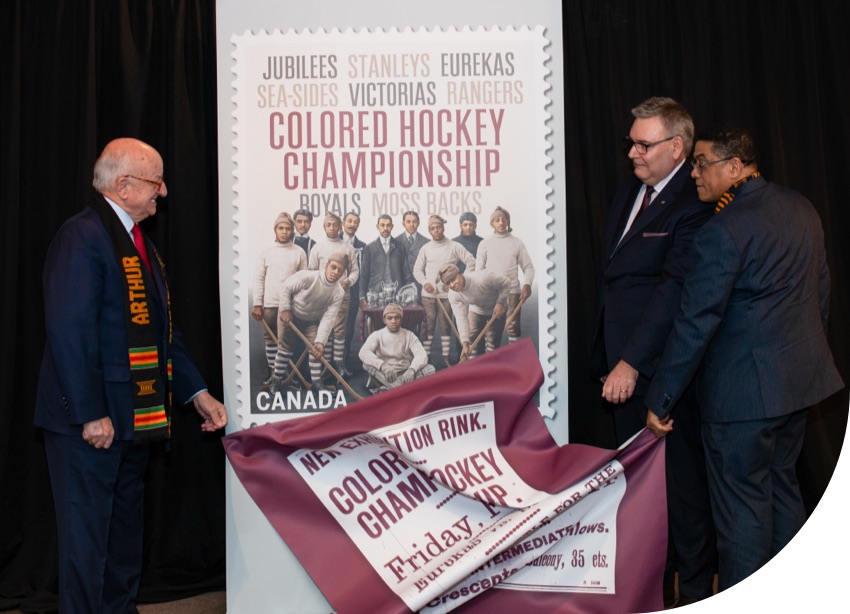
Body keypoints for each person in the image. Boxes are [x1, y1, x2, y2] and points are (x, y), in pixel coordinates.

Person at [645, 126, 844, 592]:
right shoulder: (802, 208)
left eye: (702, 163)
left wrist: (663, 397)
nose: (693, 173)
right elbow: (821, 296)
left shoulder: (722, 229)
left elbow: (697, 321)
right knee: (781, 497)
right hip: (797, 389)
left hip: (742, 401)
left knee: (742, 520)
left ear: (736, 167)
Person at [34, 137, 228, 613]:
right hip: (92, 425)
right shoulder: (82, 236)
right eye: (155, 181)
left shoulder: (135, 241)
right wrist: (91, 413)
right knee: (87, 544)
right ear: (123, 186)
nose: (163, 191)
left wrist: (197, 393)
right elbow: (69, 332)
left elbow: (163, 330)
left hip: (135, 418)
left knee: (123, 539)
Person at [589, 97, 717, 606]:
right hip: (619, 370)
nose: (633, 154)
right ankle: (652, 594)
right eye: (631, 143)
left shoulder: (694, 202)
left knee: (681, 498)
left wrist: (631, 361)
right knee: (639, 497)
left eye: (644, 145)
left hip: (662, 376)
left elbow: (673, 292)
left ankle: (694, 596)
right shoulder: (630, 191)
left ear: (676, 147)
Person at [274, 253, 347, 392]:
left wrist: (320, 341)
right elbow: (286, 288)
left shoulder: (338, 292)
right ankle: (276, 382)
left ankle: (317, 383)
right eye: (333, 267)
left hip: (310, 321)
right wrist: (285, 308)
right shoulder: (308, 277)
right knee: (284, 349)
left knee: (316, 349)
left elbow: (329, 317)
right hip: (290, 316)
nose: (335, 272)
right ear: (326, 266)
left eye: (340, 270)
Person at [251, 211, 307, 390]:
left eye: (287, 228)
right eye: (281, 228)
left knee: (288, 341)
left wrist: (298, 304)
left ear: (292, 231)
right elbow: (259, 279)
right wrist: (257, 304)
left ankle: (289, 377)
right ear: (275, 229)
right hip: (269, 304)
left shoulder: (299, 252)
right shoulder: (266, 253)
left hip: (289, 306)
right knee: (271, 339)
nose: (284, 231)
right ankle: (273, 374)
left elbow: (303, 280)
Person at [412, 215, 475, 367]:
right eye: (432, 228)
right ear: (429, 230)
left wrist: (459, 280)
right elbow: (417, 270)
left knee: (446, 326)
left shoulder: (454, 246)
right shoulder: (426, 248)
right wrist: (425, 282)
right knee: (429, 325)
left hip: (448, 295)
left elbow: (471, 261)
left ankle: (445, 358)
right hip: (429, 295)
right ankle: (426, 358)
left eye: (438, 227)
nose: (436, 231)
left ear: (443, 228)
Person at [308, 213, 360, 378]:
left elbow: (355, 270)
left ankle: (339, 364)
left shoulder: (347, 247)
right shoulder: (317, 248)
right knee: (326, 329)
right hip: (323, 295)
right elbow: (311, 272)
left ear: (340, 226)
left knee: (340, 330)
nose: (332, 228)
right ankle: (326, 365)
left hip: (342, 294)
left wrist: (347, 282)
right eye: (328, 225)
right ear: (324, 227)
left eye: (335, 225)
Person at [475, 206, 535, 346]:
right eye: (497, 220)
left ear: (508, 221)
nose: (501, 222)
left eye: (503, 219)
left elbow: (528, 267)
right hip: (491, 293)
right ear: (492, 224)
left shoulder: (517, 243)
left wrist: (527, 284)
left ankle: (512, 360)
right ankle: (490, 362)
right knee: (490, 329)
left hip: (512, 292)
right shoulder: (485, 244)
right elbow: (479, 270)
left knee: (513, 328)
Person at [438, 264, 511, 361]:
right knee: (471, 342)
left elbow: (506, 283)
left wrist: (500, 302)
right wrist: (465, 343)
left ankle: (489, 369)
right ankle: (475, 370)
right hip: (476, 309)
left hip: (497, 309)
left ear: (460, 274)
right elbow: (461, 318)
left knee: (492, 342)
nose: (452, 285)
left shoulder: (483, 278)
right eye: (448, 283)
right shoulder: (453, 295)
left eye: (453, 280)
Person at [358, 303, 435, 391]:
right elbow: (363, 352)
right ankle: (404, 389)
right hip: (386, 375)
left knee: (430, 369)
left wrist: (412, 370)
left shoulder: (409, 335)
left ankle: (391, 389)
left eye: (396, 318)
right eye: (389, 318)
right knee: (366, 364)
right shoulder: (377, 335)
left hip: (406, 374)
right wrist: (382, 365)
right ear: (384, 320)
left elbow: (421, 354)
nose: (393, 321)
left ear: (401, 320)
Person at [359, 214, 415, 305]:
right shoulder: (369, 248)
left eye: (388, 225)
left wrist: (410, 292)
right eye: (382, 225)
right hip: (375, 296)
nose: (385, 228)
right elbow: (364, 275)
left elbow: (406, 272)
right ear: (377, 226)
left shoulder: (400, 247)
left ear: (392, 227)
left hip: (397, 296)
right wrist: (362, 296)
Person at [341, 211, 366, 372]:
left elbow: (363, 273)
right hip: (332, 293)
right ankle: (327, 365)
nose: (352, 224)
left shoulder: (362, 246)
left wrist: (361, 295)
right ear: (343, 222)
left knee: (348, 328)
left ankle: (343, 362)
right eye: (349, 221)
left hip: (353, 292)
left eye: (355, 222)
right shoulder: (334, 242)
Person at [395, 210, 429, 287]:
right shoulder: (395, 242)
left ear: (418, 223)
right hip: (401, 286)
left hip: (421, 286)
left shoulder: (427, 242)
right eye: (408, 222)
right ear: (403, 224)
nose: (412, 225)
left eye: (414, 221)